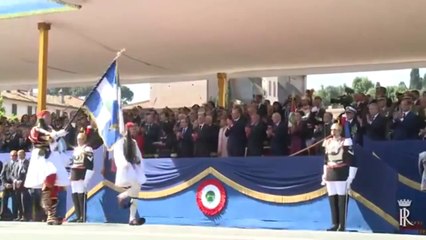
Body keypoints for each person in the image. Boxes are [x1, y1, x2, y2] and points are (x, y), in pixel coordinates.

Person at [25, 110, 69, 225]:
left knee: (55, 183)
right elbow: (41, 139)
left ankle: (51, 214)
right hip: (42, 157)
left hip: (52, 156)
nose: (49, 118)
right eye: (47, 116)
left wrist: (59, 135)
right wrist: (57, 134)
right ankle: (46, 204)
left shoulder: (50, 129)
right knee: (50, 175)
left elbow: (53, 143)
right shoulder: (36, 129)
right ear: (41, 118)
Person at [321, 123, 357, 231]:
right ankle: (335, 223)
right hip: (330, 172)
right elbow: (325, 160)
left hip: (341, 172)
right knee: (332, 198)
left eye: (335, 130)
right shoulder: (327, 142)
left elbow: (351, 160)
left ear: (340, 130)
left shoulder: (346, 141)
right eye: (332, 130)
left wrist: (351, 177)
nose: (333, 132)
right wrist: (324, 174)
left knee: (342, 199)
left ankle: (342, 224)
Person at [113, 122, 146, 225]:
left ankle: (132, 218)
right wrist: (124, 164)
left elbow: (138, 155)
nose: (134, 130)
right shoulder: (120, 142)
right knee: (136, 188)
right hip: (126, 168)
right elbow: (118, 155)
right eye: (132, 128)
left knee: (136, 192)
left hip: (133, 168)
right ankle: (123, 197)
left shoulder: (133, 142)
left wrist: (139, 161)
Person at [69, 129, 94, 222]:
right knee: (74, 194)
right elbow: (73, 162)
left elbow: (90, 163)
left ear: (84, 139)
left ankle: (82, 216)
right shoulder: (76, 149)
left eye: (81, 139)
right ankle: (77, 215)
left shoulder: (87, 149)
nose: (79, 141)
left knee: (81, 194)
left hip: (82, 173)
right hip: (74, 173)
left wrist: (87, 176)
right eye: (78, 139)